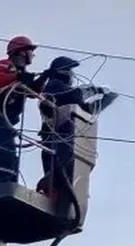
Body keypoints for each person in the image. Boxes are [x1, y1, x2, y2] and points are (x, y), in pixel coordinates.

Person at [0, 36, 46, 183]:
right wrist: (17, 77)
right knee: (7, 156)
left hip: (3, 123)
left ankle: (8, 186)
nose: (32, 55)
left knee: (11, 159)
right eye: (30, 51)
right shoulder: (5, 65)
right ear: (22, 52)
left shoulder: (20, 74)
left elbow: (33, 92)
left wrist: (45, 76)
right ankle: (1, 186)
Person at [37, 56, 98, 207]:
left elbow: (81, 106)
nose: (72, 75)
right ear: (63, 71)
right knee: (59, 161)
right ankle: (54, 186)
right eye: (70, 71)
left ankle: (58, 189)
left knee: (62, 162)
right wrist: (83, 94)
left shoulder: (56, 86)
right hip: (57, 133)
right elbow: (71, 97)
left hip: (58, 132)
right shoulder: (54, 85)